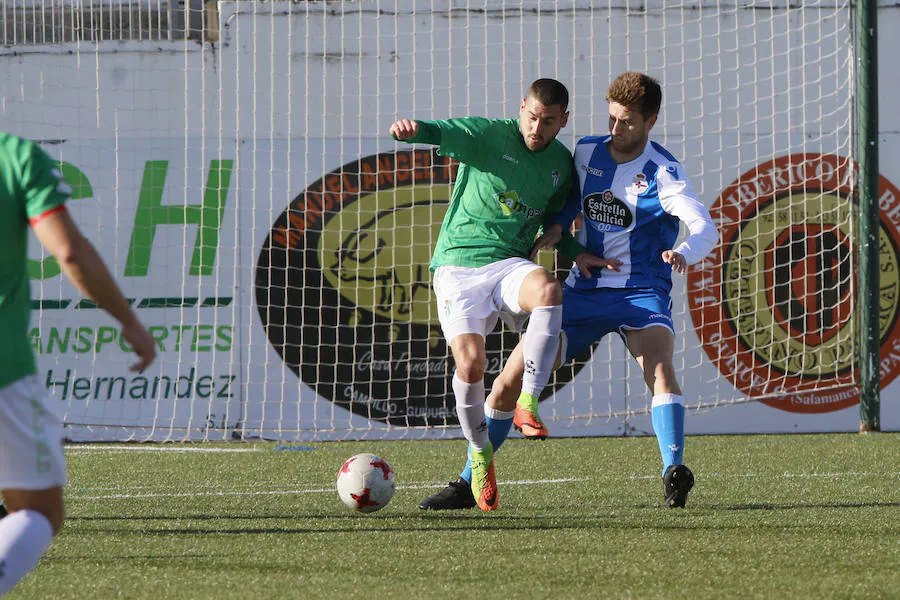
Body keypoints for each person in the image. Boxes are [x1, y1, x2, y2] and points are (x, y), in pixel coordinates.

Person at [418, 72, 719, 510]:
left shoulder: (664, 172)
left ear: (651, 120)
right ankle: (469, 480)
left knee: (659, 366)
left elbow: (704, 226)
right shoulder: (586, 152)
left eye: (629, 122)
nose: (617, 130)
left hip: (640, 290)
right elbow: (570, 199)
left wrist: (686, 252)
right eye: (613, 118)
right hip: (585, 289)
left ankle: (673, 470)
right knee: (506, 381)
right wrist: (564, 233)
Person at [390, 79, 611, 511]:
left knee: (549, 289)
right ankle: (479, 452)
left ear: (563, 121)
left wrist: (575, 251)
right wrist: (412, 130)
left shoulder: (561, 165)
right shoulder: (492, 135)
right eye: (531, 116)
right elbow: (441, 132)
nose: (537, 127)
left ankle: (528, 401)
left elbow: (554, 222)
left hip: (510, 263)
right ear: (521, 108)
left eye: (548, 121)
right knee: (470, 365)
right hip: (458, 265)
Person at [0, 131, 157, 595]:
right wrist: (129, 321)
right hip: (4, 372)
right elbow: (69, 251)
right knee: (37, 514)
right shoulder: (15, 156)